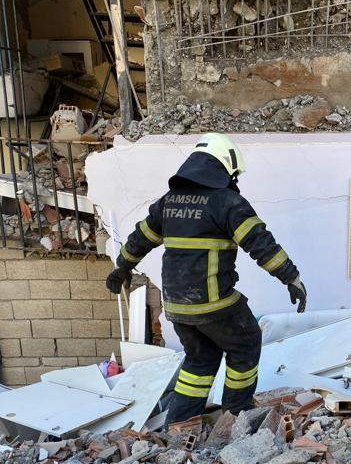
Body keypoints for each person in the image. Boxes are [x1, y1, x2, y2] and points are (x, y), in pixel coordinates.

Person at [105, 133, 307, 423]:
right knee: (246, 342)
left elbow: (141, 238)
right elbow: (261, 244)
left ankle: (180, 423)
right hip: (213, 303)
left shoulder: (169, 202)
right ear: (225, 167)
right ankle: (237, 413)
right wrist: (291, 278)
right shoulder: (228, 203)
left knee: (201, 360)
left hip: (177, 306)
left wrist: (122, 267)